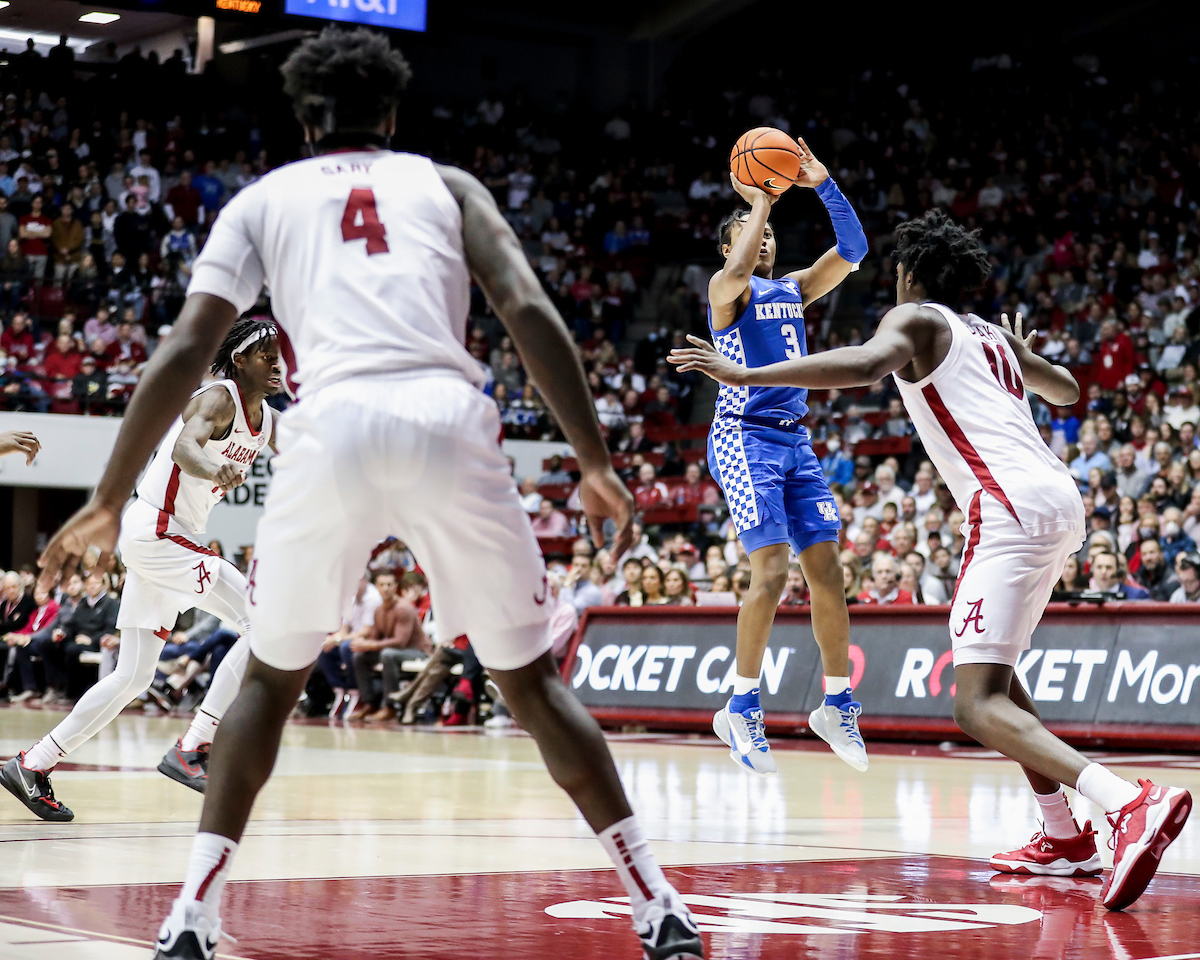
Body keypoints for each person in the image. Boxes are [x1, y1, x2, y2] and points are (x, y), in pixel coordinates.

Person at [36, 29, 700, 960]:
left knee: (270, 680)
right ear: (392, 111)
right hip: (445, 420)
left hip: (332, 428)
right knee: (532, 684)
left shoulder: (263, 199)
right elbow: (528, 309)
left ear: (306, 119)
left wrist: (108, 497)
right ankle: (657, 904)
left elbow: (187, 345)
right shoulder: (449, 186)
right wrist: (591, 459)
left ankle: (192, 916)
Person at [670, 207, 1191, 911]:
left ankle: (1128, 801)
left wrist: (742, 370)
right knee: (995, 672)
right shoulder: (989, 335)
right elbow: (1068, 389)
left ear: (910, 274)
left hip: (1006, 507)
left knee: (974, 704)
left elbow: (863, 365)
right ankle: (1064, 835)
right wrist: (1021, 357)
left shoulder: (914, 319)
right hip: (1058, 502)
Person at [4, 320, 282, 823]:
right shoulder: (218, 398)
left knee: (132, 675)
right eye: (266, 355)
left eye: (280, 354)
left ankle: (32, 763)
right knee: (264, 623)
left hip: (169, 540)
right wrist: (214, 468)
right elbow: (184, 448)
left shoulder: (270, 421)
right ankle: (194, 744)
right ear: (240, 361)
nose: (277, 363)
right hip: (158, 530)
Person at [696, 137, 869, 776]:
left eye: (767, 233)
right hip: (743, 437)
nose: (762, 240)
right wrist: (762, 203)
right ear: (729, 246)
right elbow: (741, 270)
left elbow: (854, 250)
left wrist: (823, 183)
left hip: (795, 439)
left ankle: (837, 703)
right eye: (748, 234)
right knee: (769, 573)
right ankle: (741, 707)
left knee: (828, 572)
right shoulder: (726, 289)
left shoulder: (793, 288)